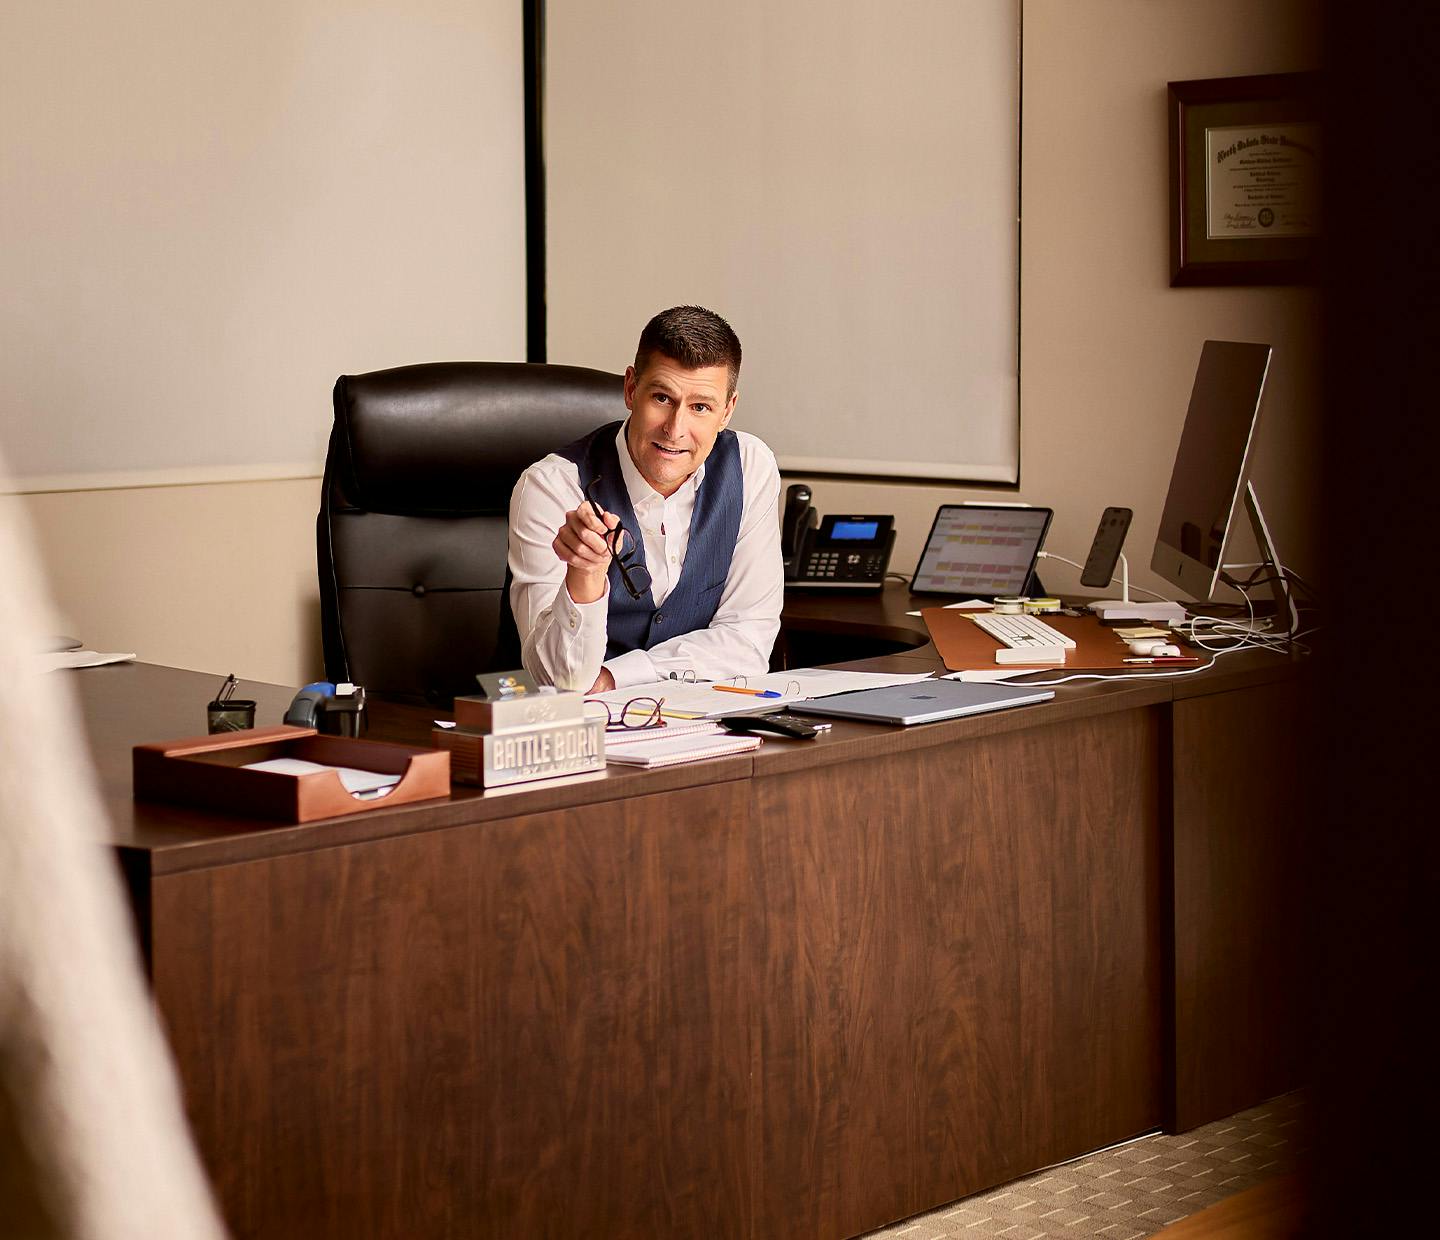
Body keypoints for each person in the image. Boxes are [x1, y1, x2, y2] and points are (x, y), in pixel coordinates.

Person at [507, 305, 783, 693]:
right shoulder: (553, 486)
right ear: (631, 389)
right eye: (662, 398)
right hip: (578, 733)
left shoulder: (749, 467)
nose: (675, 430)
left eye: (700, 407)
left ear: (727, 411)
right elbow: (557, 680)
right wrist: (585, 577)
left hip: (699, 722)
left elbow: (750, 641)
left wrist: (618, 675)